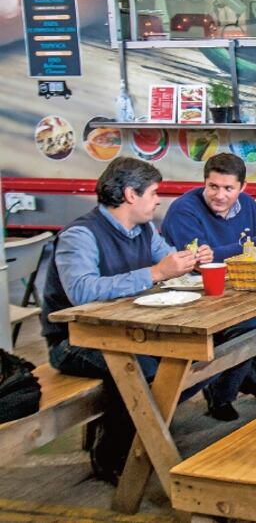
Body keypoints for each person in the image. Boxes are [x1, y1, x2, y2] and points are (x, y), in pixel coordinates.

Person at [40, 157, 211, 483]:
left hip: (127, 330)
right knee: (144, 369)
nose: (158, 200)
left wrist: (191, 260)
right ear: (131, 194)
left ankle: (145, 430)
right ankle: (112, 453)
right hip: (74, 341)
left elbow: (167, 261)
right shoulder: (80, 235)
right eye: (153, 193)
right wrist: (156, 273)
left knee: (196, 356)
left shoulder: (144, 230)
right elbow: (82, 291)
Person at [161, 152, 256, 421]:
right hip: (197, 298)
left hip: (243, 288)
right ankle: (221, 396)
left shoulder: (247, 204)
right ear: (204, 183)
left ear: (242, 187)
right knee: (247, 328)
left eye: (228, 188)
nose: (219, 195)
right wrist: (253, 243)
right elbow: (199, 262)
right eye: (213, 186)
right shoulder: (184, 210)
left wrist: (235, 248)